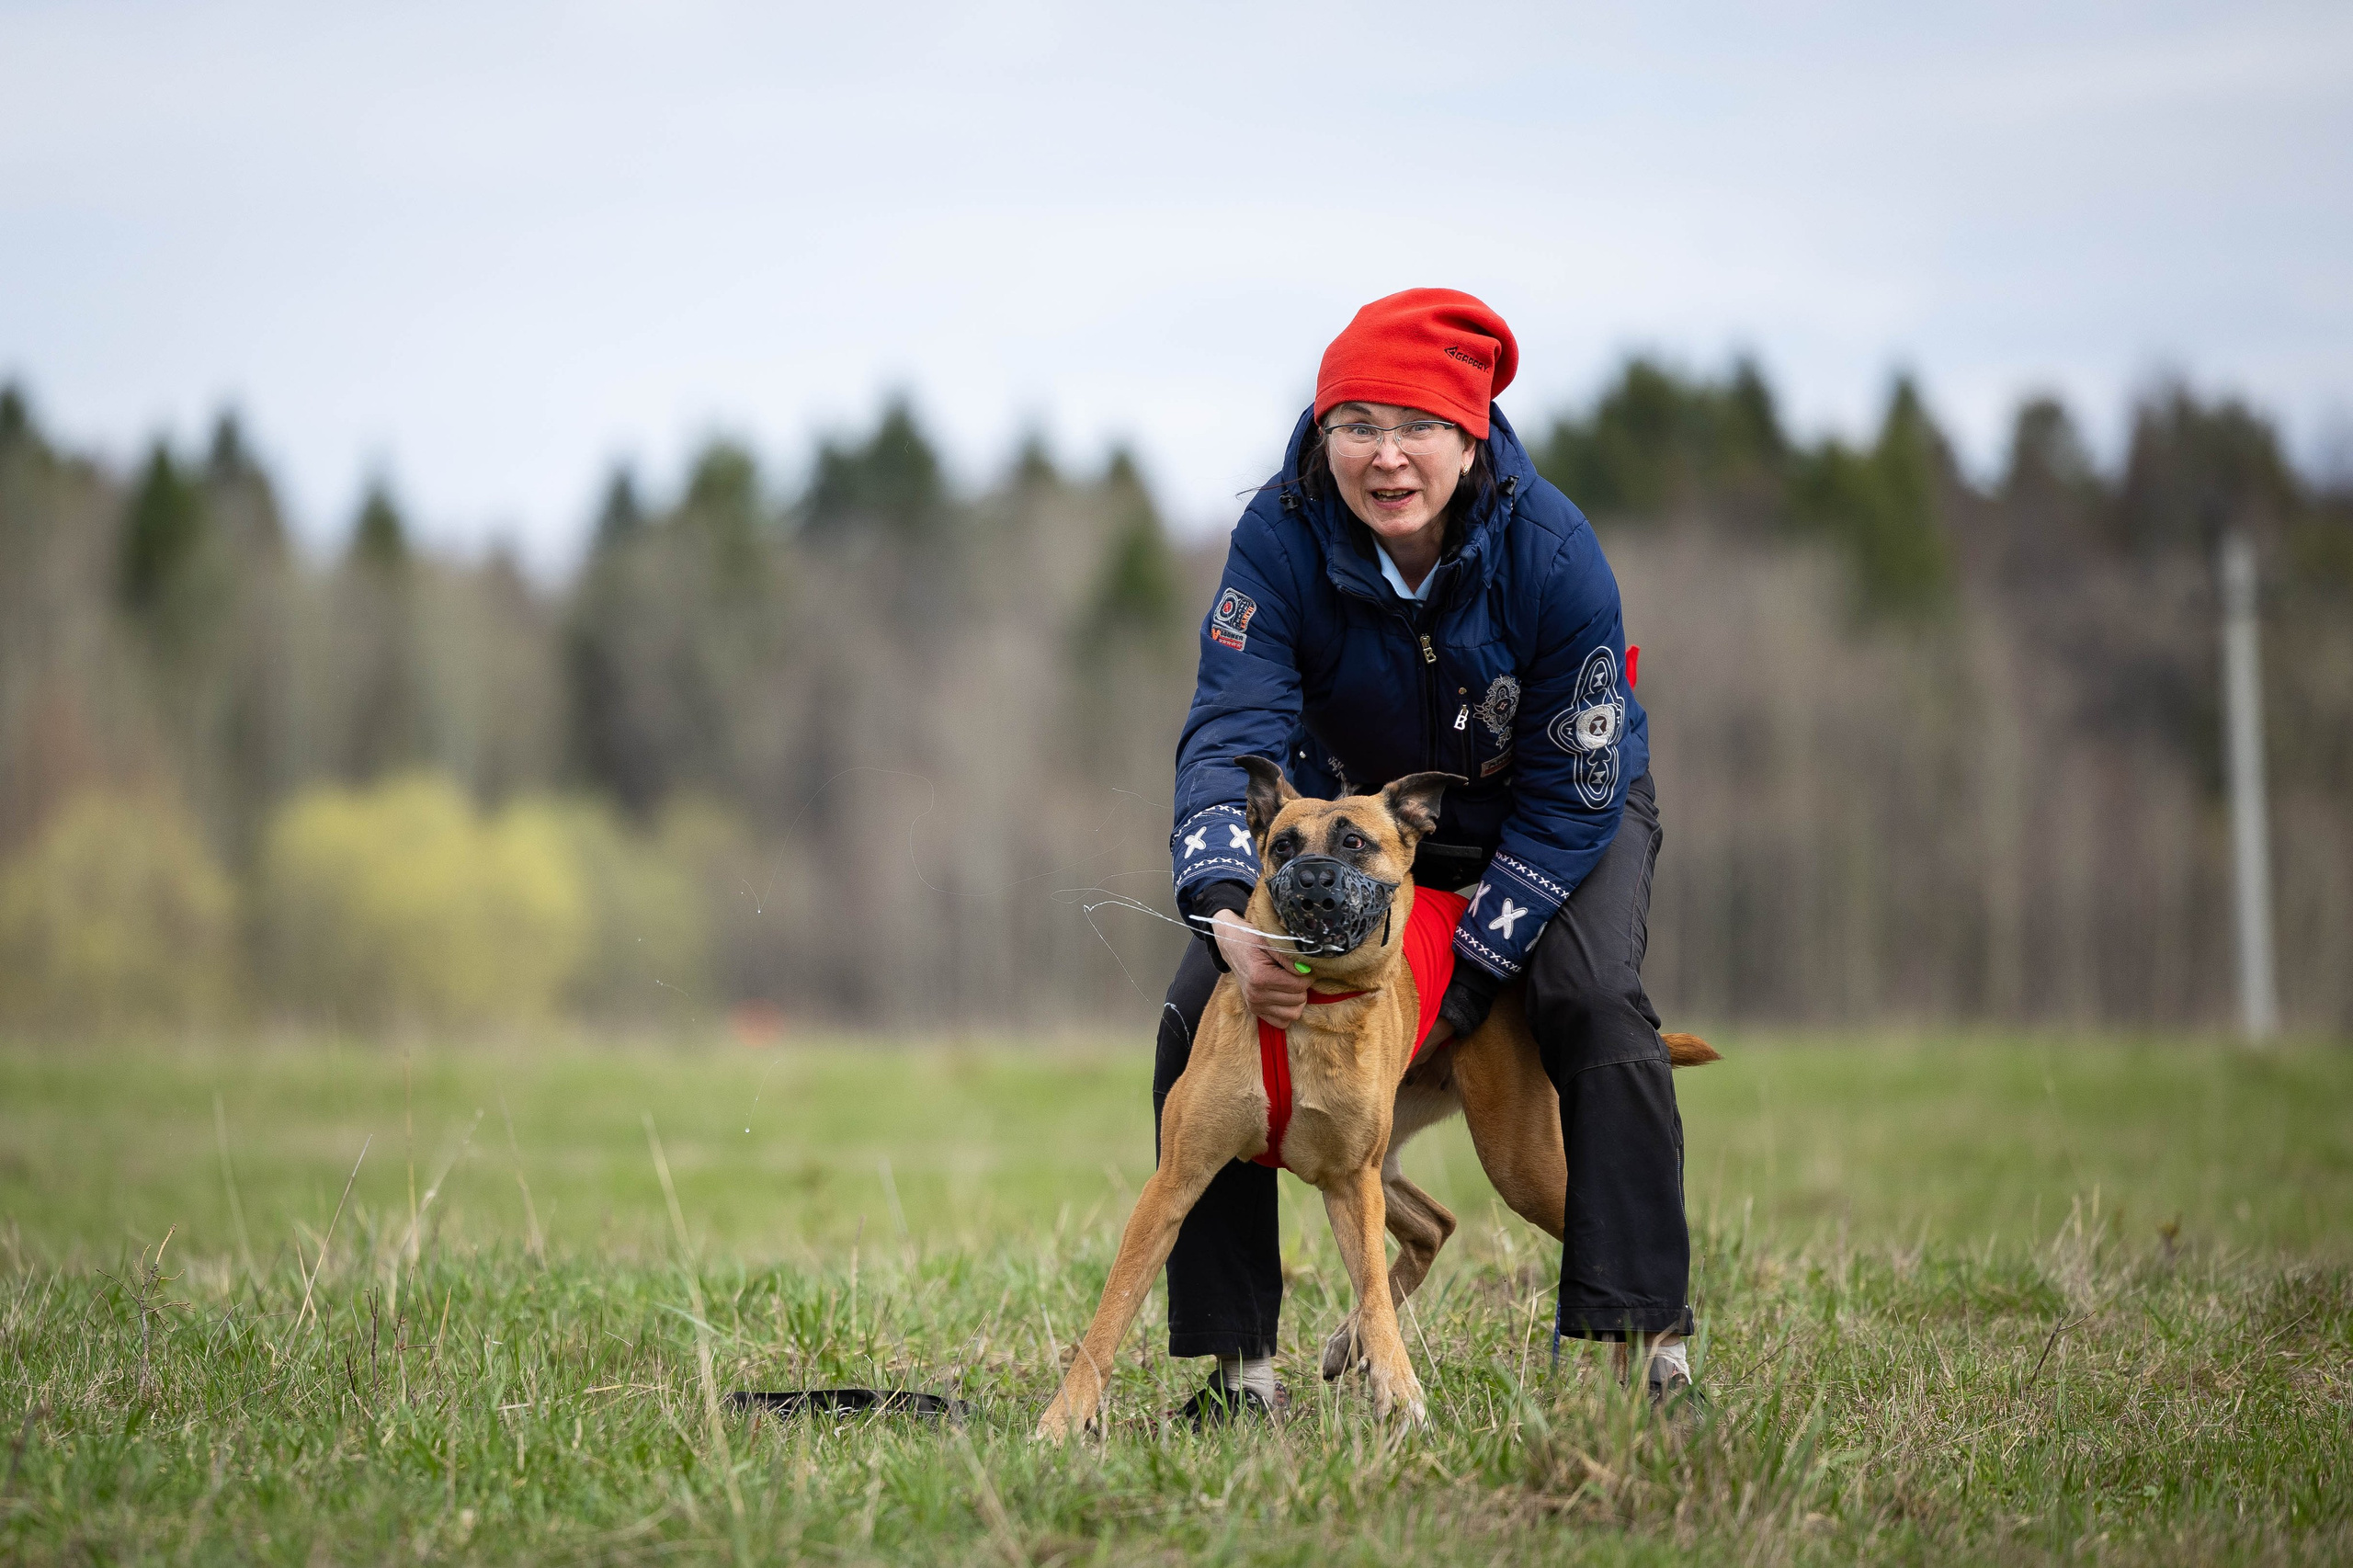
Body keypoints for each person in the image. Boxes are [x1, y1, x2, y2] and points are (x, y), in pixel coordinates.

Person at [1157, 288, 1694, 1423]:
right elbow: (1230, 729)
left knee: (1589, 999)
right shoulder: (1280, 535)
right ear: (1323, 434)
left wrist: (1468, 971)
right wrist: (1220, 905)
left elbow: (1573, 791)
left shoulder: (1553, 552)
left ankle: (1646, 1339)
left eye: (1416, 426)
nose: (1384, 455)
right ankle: (1238, 1363)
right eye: (1356, 423)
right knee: (1193, 1004)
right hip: (1358, 831)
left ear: (1469, 435)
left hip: (1550, 808)